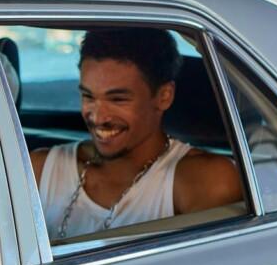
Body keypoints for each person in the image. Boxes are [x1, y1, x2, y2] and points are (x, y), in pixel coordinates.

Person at [31, 28, 243, 240]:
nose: (98, 117)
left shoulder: (204, 181)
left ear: (164, 97)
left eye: (118, 99)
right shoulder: (40, 170)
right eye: (88, 96)